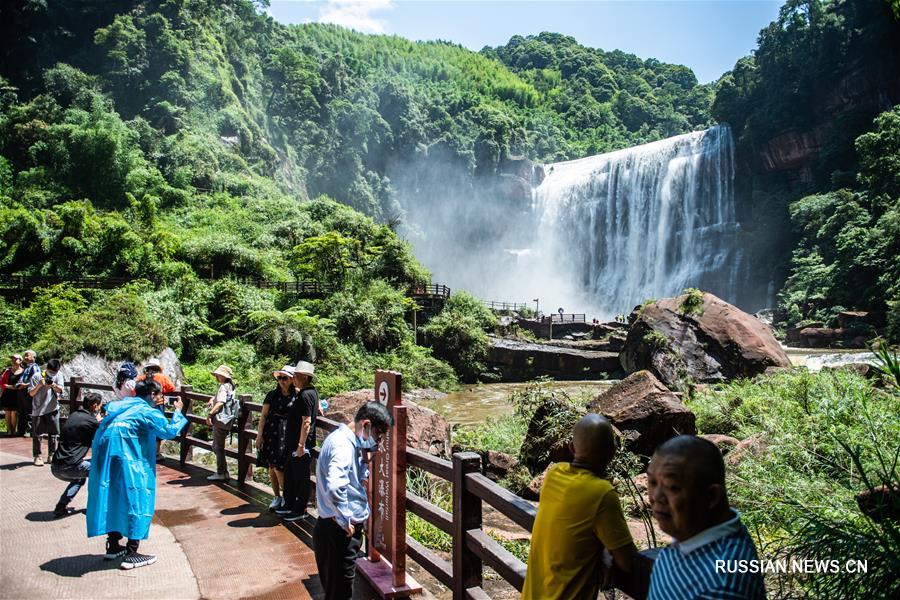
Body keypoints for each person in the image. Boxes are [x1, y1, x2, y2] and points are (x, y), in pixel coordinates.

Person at [523, 413, 641, 600]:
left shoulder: (554, 474)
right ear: (612, 452)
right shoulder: (602, 493)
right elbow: (628, 562)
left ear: (571, 448)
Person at [646, 435, 765, 600]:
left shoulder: (721, 588)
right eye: (652, 482)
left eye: (672, 487)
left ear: (711, 497)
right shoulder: (697, 531)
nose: (656, 497)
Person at [86, 378, 188, 570]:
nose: (160, 399)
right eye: (159, 395)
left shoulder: (119, 407)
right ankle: (132, 552)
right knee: (137, 498)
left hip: (107, 458)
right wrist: (178, 411)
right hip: (130, 460)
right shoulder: (147, 412)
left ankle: (114, 545)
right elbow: (169, 431)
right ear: (152, 394)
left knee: (113, 497)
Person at [313, 401, 394, 600]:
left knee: (336, 589)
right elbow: (335, 486)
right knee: (340, 592)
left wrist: (365, 460)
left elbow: (349, 479)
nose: (379, 442)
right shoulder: (342, 446)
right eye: (379, 435)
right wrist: (345, 520)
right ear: (366, 425)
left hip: (333, 528)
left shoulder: (346, 441)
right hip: (339, 532)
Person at [276, 360, 318, 521]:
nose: (293, 377)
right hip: (293, 443)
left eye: (296, 375)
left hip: (300, 444)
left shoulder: (306, 395)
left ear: (304, 377)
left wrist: (301, 445)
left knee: (301, 477)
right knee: (291, 474)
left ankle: (300, 509)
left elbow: (306, 421)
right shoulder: (306, 392)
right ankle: (289, 505)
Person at [51, 392, 102, 517]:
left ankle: (60, 507)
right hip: (71, 467)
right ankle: (94, 507)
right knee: (101, 472)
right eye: (100, 405)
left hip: (55, 466)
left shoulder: (74, 415)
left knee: (80, 478)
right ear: (95, 406)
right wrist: (98, 421)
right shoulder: (92, 422)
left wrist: (95, 421)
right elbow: (101, 439)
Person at [256, 365, 295, 511]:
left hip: (287, 433)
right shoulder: (271, 395)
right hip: (272, 432)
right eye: (279, 378)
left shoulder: (297, 395)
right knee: (272, 466)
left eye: (285, 378)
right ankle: (278, 496)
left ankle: (286, 497)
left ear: (291, 379)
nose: (282, 381)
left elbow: (307, 407)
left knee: (280, 467)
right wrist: (259, 435)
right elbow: (264, 415)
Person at [137, 357, 177, 460]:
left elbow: (136, 388)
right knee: (158, 427)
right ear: (158, 368)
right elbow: (172, 388)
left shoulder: (142, 377)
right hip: (158, 405)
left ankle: (145, 451)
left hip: (145, 405)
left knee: (146, 427)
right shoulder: (161, 377)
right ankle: (156, 453)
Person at [28, 358, 64, 466]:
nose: (53, 374)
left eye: (55, 372)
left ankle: (52, 454)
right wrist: (39, 385)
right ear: (47, 368)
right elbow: (31, 393)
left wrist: (53, 385)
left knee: (54, 433)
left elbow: (61, 390)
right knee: (37, 434)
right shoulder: (36, 376)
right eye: (51, 372)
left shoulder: (59, 375)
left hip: (53, 408)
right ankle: (37, 456)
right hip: (38, 409)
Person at [206, 364, 236, 482]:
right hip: (228, 419)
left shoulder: (223, 387)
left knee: (217, 446)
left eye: (219, 375)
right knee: (219, 446)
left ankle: (221, 472)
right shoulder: (231, 386)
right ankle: (224, 472)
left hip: (220, 419)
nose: (217, 376)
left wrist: (210, 414)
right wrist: (213, 399)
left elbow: (221, 402)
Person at [1, 354, 25, 435]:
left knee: (14, 413)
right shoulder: (7, 371)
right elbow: (2, 382)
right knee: (7, 412)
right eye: (12, 359)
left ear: (20, 361)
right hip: (7, 393)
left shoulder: (24, 371)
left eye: (15, 359)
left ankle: (13, 431)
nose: (13, 360)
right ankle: (9, 430)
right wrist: (9, 386)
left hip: (18, 394)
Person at [18, 350, 40, 436]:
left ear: (33, 357)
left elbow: (36, 380)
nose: (25, 357)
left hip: (28, 391)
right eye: (25, 355)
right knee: (22, 411)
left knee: (29, 411)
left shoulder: (34, 367)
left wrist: (24, 385)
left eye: (27, 355)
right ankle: (21, 431)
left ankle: (30, 431)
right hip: (22, 391)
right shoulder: (26, 367)